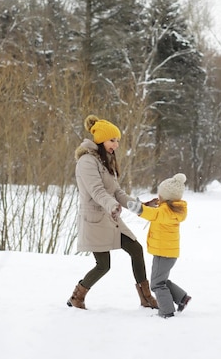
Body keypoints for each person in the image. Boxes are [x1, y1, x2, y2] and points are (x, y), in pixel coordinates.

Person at [67, 115, 158, 310]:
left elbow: (117, 192)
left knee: (136, 249)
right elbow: (97, 191)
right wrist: (112, 205)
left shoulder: (105, 160)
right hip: (95, 219)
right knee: (103, 265)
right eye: (112, 140)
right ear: (100, 139)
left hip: (111, 217)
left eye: (117, 140)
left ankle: (146, 298)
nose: (116, 145)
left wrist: (142, 207)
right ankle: (77, 297)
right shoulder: (86, 162)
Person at [127, 173, 191, 318]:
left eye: (161, 195)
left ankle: (166, 311)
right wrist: (145, 205)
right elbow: (156, 212)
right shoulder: (172, 209)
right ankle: (182, 298)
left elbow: (153, 215)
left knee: (157, 284)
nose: (158, 197)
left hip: (164, 253)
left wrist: (139, 209)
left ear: (167, 198)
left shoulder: (165, 212)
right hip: (167, 252)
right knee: (161, 280)